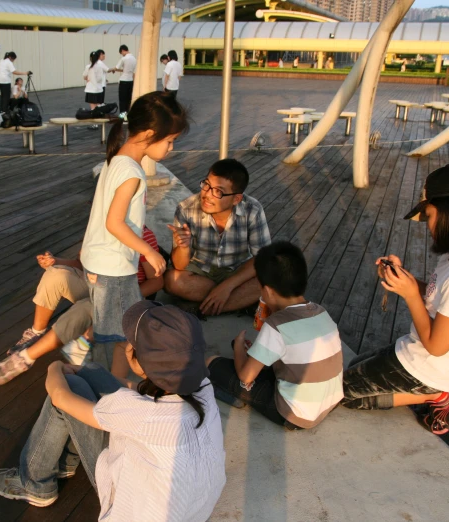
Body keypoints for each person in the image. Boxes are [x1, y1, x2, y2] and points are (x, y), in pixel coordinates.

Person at [0, 301, 227, 521]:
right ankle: (68, 461)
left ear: (137, 361)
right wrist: (83, 370)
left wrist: (54, 367)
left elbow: (61, 397)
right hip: (194, 504)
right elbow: (136, 387)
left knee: (70, 386)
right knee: (90, 371)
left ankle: (34, 484)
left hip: (135, 508)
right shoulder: (202, 387)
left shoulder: (140, 414)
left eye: (130, 344)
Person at [342, 164, 449, 435]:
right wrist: (403, 278)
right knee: (353, 367)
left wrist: (408, 295)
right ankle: (436, 392)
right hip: (423, 353)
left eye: (429, 215)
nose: (427, 226)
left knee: (342, 393)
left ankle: (441, 397)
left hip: (434, 367)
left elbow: (437, 346)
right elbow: (435, 293)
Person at [81, 91, 188, 378]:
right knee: (125, 334)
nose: (170, 149)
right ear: (151, 134)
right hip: (113, 268)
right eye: (169, 141)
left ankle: (81, 351)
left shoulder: (117, 160)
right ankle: (112, 389)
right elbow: (114, 223)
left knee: (118, 327)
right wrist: (150, 251)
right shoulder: (132, 173)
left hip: (98, 262)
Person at [0, 226, 164, 386]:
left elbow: (157, 281)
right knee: (55, 274)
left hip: (125, 297)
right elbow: (81, 264)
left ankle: (24, 359)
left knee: (86, 307)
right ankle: (36, 332)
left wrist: (123, 296)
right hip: (95, 287)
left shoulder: (142, 235)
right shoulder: (98, 226)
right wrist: (56, 261)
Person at [207, 242, 344, 429]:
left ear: (269, 292)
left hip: (295, 415)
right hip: (329, 402)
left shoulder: (277, 324)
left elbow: (246, 376)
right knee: (265, 366)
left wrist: (239, 347)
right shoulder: (321, 311)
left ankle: (233, 397)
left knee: (211, 364)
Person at [164, 158, 271, 317]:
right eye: (206, 185)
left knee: (271, 282)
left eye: (218, 191)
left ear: (236, 199)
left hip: (236, 271)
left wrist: (227, 286)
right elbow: (179, 265)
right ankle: (235, 303)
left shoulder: (252, 210)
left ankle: (202, 307)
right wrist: (183, 247)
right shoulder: (186, 209)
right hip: (201, 272)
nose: (207, 195)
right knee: (172, 280)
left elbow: (262, 257)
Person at [109, 44, 136, 117]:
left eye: (121, 53)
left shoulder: (124, 59)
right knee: (128, 100)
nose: (122, 55)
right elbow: (126, 70)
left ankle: (122, 116)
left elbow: (116, 67)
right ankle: (128, 115)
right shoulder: (134, 58)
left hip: (123, 81)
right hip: (130, 81)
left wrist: (111, 70)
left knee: (122, 100)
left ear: (123, 50)